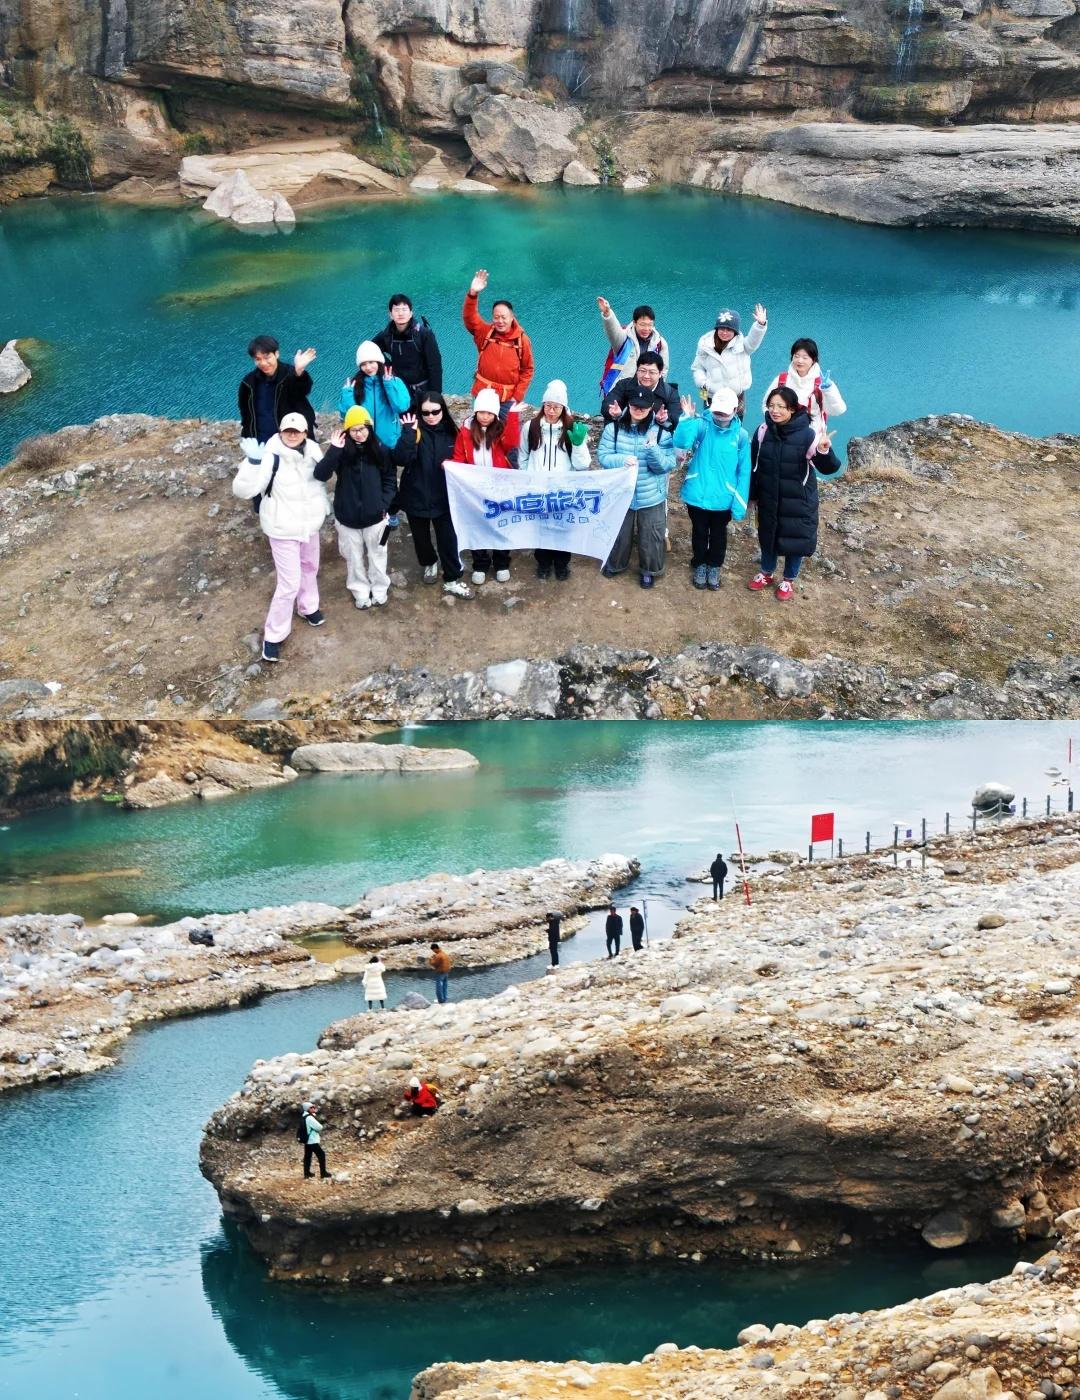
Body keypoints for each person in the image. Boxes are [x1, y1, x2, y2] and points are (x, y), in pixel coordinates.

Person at [232, 411, 329, 663]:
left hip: (309, 525)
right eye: (288, 431)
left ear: (306, 433)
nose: (292, 435)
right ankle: (273, 636)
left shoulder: (314, 452)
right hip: (282, 527)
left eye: (297, 431)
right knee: (289, 583)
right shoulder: (268, 457)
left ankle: (308, 606)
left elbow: (324, 477)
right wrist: (252, 463)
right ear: (280, 431)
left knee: (310, 567)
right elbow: (244, 490)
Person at [748, 384, 843, 601]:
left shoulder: (808, 435)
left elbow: (829, 468)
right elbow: (754, 466)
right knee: (768, 535)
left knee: (795, 540)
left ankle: (788, 579)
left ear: (792, 409)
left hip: (798, 499)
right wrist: (752, 495)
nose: (775, 411)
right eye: (771, 406)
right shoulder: (763, 432)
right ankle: (766, 573)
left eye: (781, 406)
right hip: (769, 496)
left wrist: (824, 450)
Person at [314, 406, 397, 610]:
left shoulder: (381, 450)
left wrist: (384, 504)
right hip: (347, 517)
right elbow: (321, 474)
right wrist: (334, 449)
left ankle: (379, 589)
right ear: (347, 432)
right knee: (354, 558)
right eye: (354, 430)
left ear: (369, 427)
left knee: (378, 556)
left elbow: (389, 480)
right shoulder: (341, 452)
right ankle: (360, 590)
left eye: (362, 428)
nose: (359, 434)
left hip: (376, 517)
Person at [597, 384, 676, 588]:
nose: (638, 410)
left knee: (651, 534)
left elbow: (666, 465)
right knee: (618, 532)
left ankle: (649, 569)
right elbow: (603, 456)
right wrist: (622, 460)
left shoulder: (661, 434)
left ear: (651, 407)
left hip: (650, 494)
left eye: (643, 406)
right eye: (634, 405)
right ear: (628, 405)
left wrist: (653, 450)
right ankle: (615, 563)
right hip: (621, 492)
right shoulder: (612, 428)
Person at [672, 387, 751, 591]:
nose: (720, 415)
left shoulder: (741, 436)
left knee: (718, 535)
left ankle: (714, 566)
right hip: (697, 493)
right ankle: (699, 563)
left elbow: (744, 472)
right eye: (717, 410)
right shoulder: (701, 426)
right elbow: (681, 443)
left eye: (725, 411)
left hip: (723, 498)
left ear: (736, 409)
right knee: (699, 532)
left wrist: (739, 503)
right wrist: (686, 419)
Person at [394, 395, 472, 598]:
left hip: (444, 495)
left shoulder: (452, 433)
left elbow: (462, 460)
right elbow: (401, 458)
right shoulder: (413, 431)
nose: (430, 416)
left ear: (443, 410)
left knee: (448, 538)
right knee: (421, 538)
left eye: (435, 411)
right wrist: (408, 433)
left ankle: (452, 577)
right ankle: (429, 562)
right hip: (415, 494)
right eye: (425, 412)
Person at [451, 388, 523, 585]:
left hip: (499, 488)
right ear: (475, 412)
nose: (485, 416)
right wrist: (452, 468)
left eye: (490, 413)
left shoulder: (500, 429)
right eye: (482, 412)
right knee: (478, 526)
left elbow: (512, 444)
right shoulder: (465, 432)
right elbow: (458, 457)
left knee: (500, 525)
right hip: (475, 489)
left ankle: (501, 562)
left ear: (495, 414)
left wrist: (514, 417)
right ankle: (480, 564)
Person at [338, 340, 411, 527]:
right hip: (365, 442)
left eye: (372, 362)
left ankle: (391, 511)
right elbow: (347, 416)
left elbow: (402, 406)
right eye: (363, 364)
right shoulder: (355, 386)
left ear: (380, 362)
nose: (368, 367)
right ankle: (371, 510)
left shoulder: (393, 381)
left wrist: (388, 385)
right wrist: (347, 395)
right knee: (370, 478)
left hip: (388, 442)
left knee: (389, 478)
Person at [525, 378, 591, 582]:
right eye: (548, 406)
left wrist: (579, 445)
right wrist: (526, 480)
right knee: (542, 529)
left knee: (563, 529)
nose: (551, 411)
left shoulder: (572, 429)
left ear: (563, 407)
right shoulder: (531, 427)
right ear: (543, 405)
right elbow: (523, 455)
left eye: (556, 407)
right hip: (539, 489)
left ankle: (562, 564)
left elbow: (583, 465)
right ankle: (543, 564)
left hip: (563, 490)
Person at [462, 269, 534, 409]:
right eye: (496, 317)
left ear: (512, 317)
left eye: (503, 317)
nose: (500, 321)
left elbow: (528, 370)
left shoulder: (522, 340)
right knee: (479, 429)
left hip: (507, 398)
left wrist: (517, 396)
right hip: (482, 393)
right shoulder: (486, 333)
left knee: (506, 431)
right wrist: (473, 294)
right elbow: (470, 318)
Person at [238, 336, 317, 463]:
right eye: (258, 359)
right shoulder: (248, 383)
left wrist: (299, 371)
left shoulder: (291, 373)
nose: (263, 363)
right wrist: (248, 437)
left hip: (292, 437)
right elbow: (246, 414)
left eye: (267, 357)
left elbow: (303, 390)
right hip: (263, 440)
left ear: (277, 354)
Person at [690, 306, 767, 418]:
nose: (725, 332)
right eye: (722, 328)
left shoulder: (743, 345)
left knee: (736, 423)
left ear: (735, 331)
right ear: (717, 329)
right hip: (712, 395)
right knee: (710, 422)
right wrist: (703, 383)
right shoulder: (705, 345)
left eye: (729, 329)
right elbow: (697, 368)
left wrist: (760, 325)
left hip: (736, 395)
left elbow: (753, 341)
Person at [761, 338, 846, 433]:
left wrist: (828, 390)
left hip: (812, 435)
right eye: (796, 356)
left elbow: (837, 410)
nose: (799, 361)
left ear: (813, 360)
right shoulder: (782, 380)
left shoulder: (822, 383)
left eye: (805, 358)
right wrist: (773, 422)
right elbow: (766, 404)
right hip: (783, 433)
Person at [372, 293, 443, 405]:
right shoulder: (386, 335)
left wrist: (435, 395)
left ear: (411, 313)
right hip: (400, 389)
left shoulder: (424, 334)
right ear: (390, 314)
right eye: (396, 310)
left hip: (423, 388)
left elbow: (435, 366)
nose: (400, 313)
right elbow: (370, 349)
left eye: (404, 309)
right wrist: (388, 366)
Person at [596, 296, 669, 398]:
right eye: (643, 324)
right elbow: (612, 330)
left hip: (645, 392)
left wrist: (656, 390)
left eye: (650, 325)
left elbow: (663, 370)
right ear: (634, 323)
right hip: (619, 391)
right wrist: (608, 313)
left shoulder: (660, 343)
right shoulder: (623, 338)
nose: (646, 329)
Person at [601, 351, 681, 435]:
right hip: (623, 435)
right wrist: (612, 411)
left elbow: (677, 417)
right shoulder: (624, 385)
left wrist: (665, 418)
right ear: (637, 370)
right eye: (642, 371)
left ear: (660, 373)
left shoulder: (670, 392)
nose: (646, 376)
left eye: (652, 372)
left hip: (653, 440)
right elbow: (608, 402)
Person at [300, 1100, 331, 1179]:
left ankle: (306, 1173)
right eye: (311, 1107)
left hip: (307, 1141)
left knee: (307, 1157)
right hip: (312, 1140)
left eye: (313, 1107)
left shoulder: (304, 1116)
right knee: (321, 1155)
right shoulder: (309, 1118)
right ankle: (323, 1173)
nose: (313, 1108)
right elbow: (319, 1127)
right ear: (307, 1109)